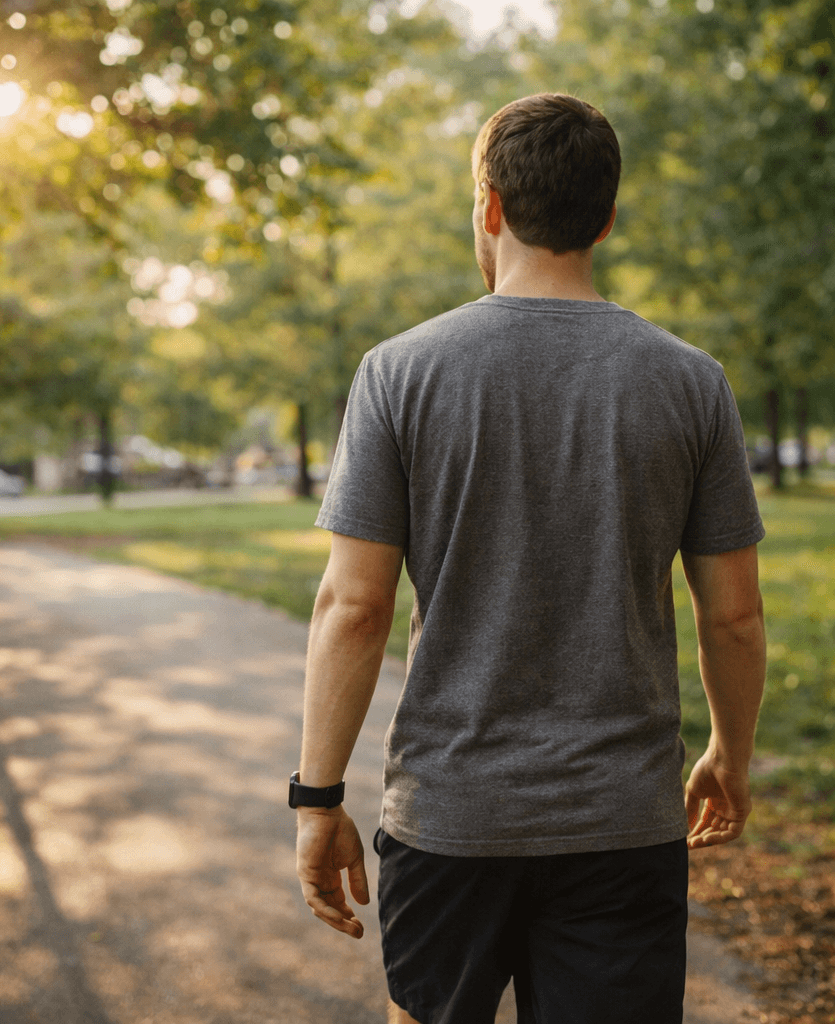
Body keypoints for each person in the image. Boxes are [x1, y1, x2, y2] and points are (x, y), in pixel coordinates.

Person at [291, 93, 767, 1024]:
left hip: (450, 819)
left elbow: (353, 607)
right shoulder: (690, 380)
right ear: (607, 217)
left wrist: (317, 798)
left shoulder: (399, 372)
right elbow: (735, 613)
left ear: (490, 206)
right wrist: (728, 756)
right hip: (624, 825)